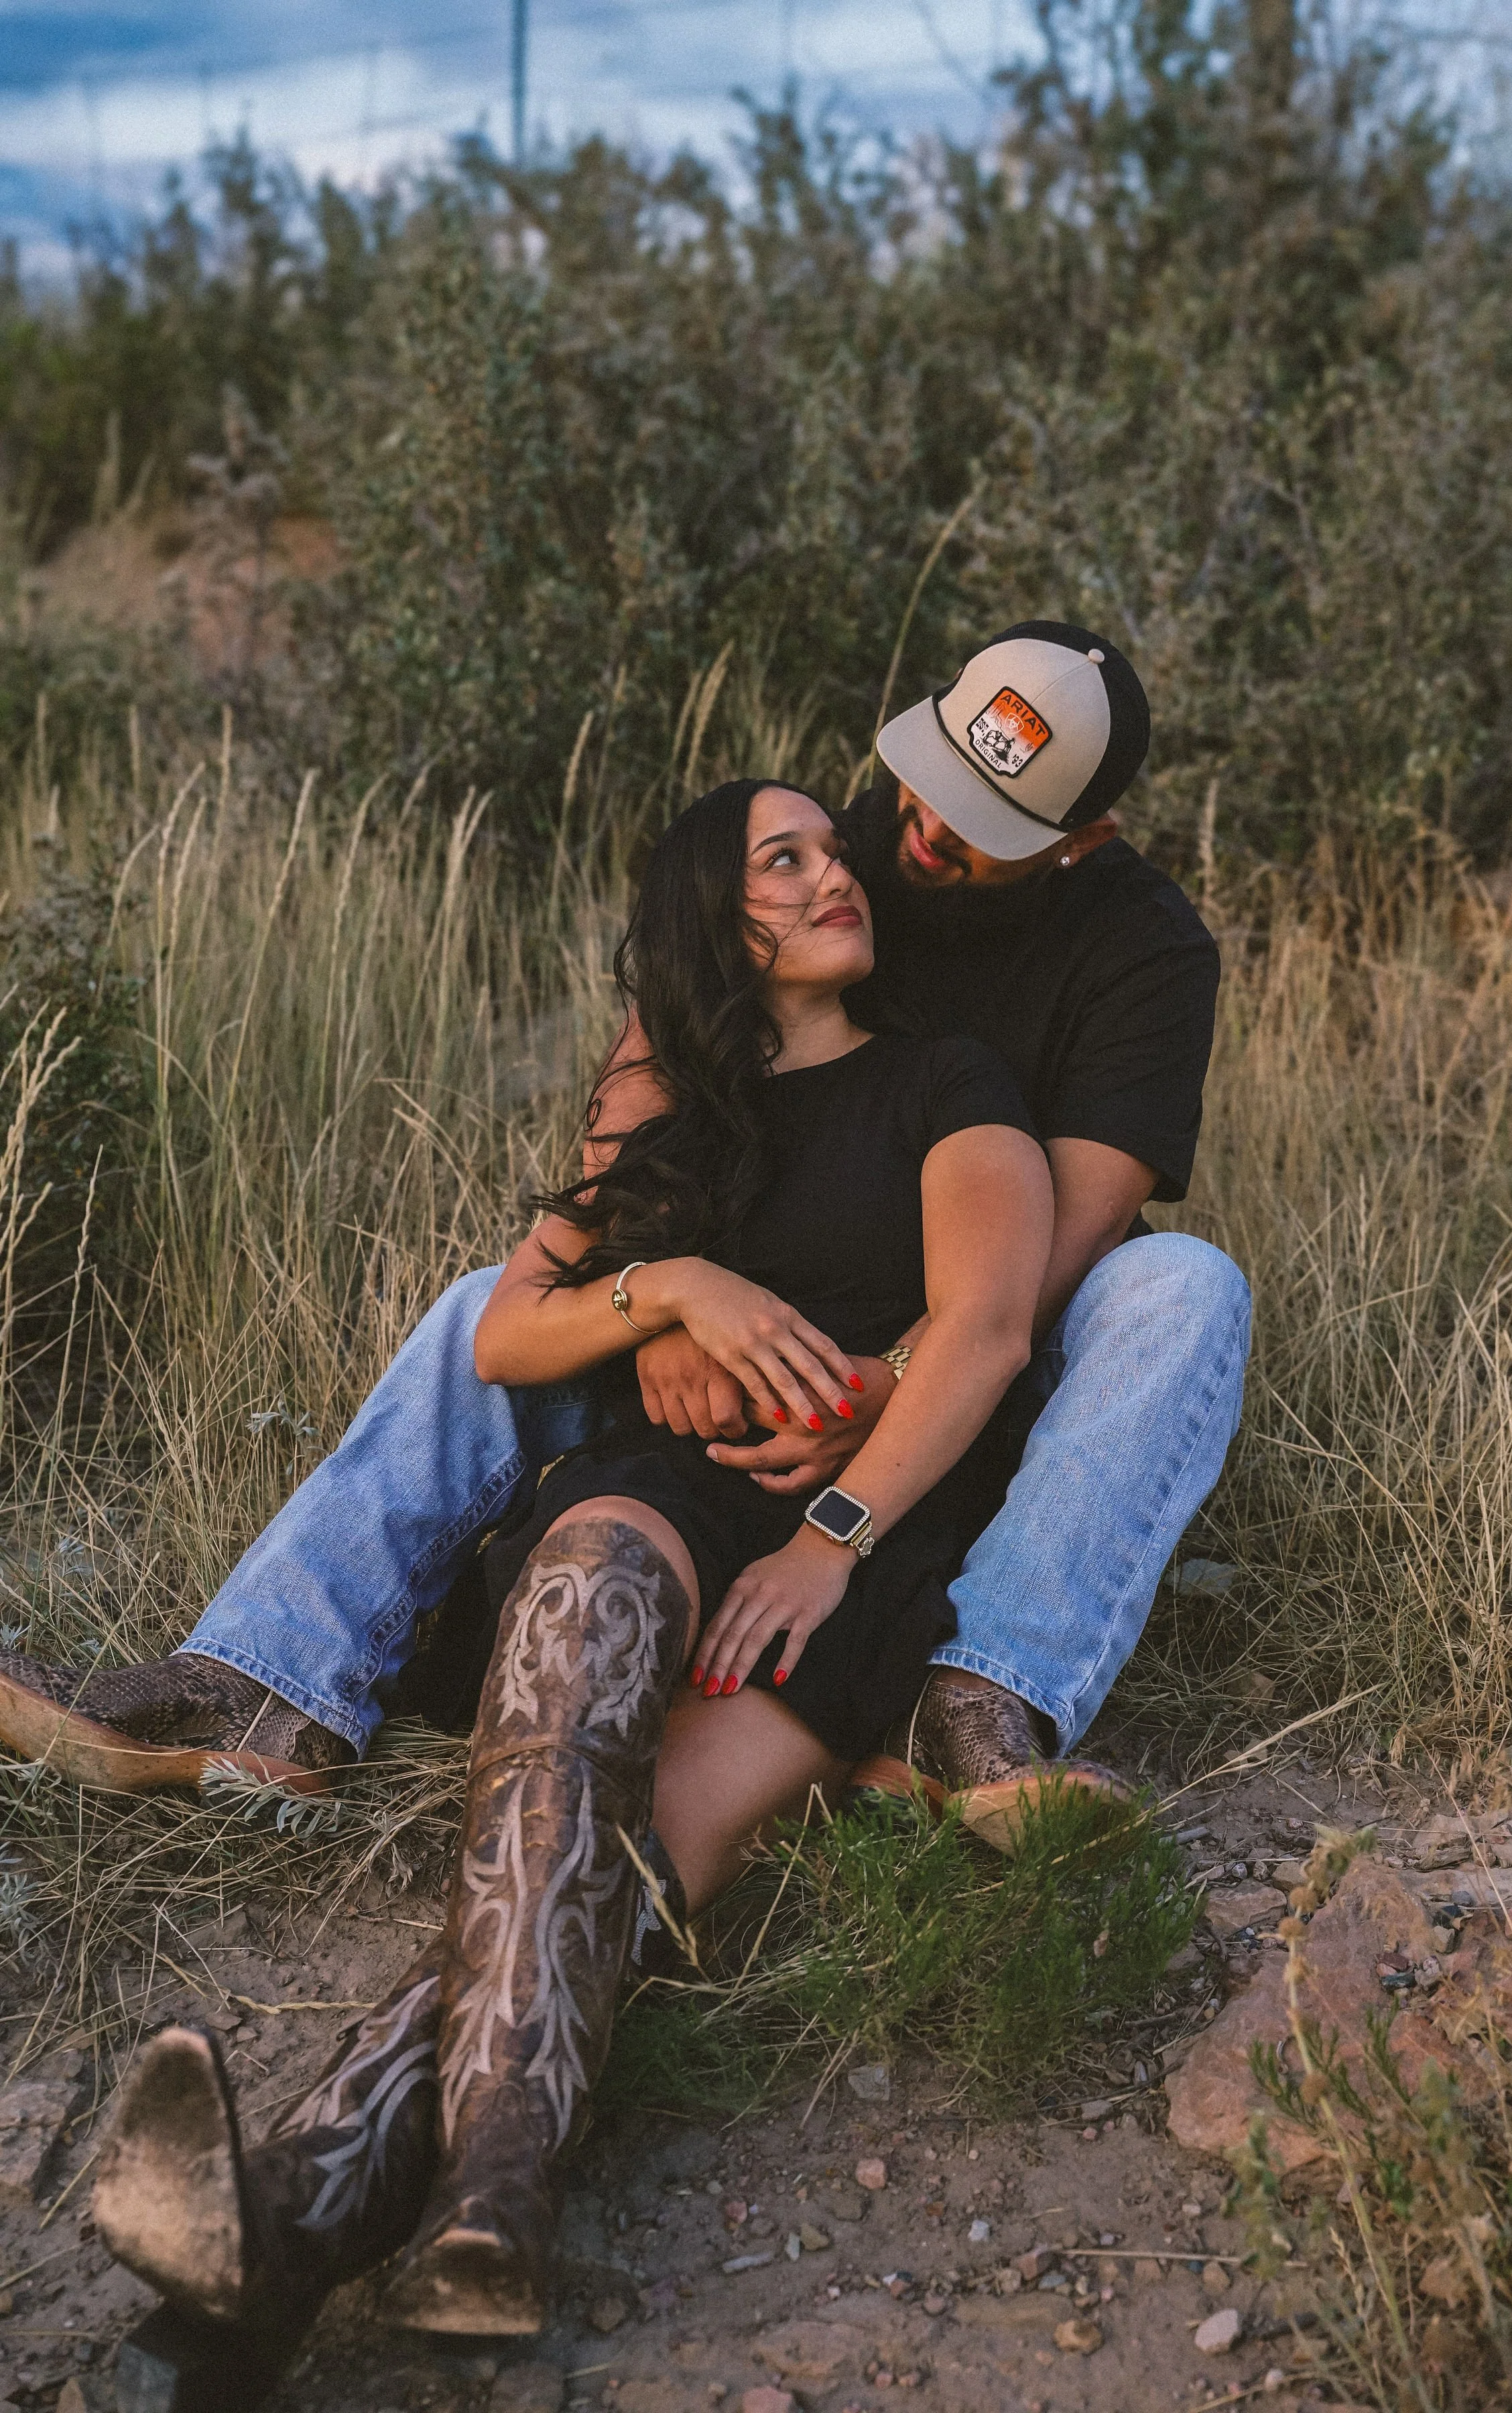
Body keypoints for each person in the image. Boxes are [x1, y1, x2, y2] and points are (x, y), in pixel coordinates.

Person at [0, 620, 1251, 1842]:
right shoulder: (843, 853)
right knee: (480, 1308)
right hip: (744, 1314)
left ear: (1083, 839)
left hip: (961, 1344)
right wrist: (650, 1288)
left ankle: (978, 1701)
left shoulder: (1144, 953)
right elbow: (665, 1061)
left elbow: (1052, 1258)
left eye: (975, 830)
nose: (915, 835)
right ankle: (271, 1687)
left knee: (1179, 1287)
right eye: (922, 783)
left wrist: (885, 1384)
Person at [91, 775, 1054, 2341]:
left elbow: (989, 1333)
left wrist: (831, 1538)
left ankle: (270, 2266)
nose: (834, 878)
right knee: (588, 1578)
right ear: (712, 916)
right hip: (654, 1503)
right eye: (783, 859)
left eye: (833, 852)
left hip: (848, 1543)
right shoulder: (674, 1092)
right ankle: (488, 2214)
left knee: (587, 1869)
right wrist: (676, 1282)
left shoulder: (952, 1083)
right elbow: (506, 1331)